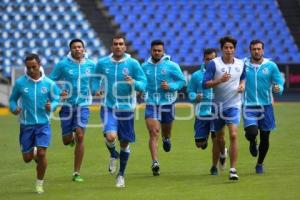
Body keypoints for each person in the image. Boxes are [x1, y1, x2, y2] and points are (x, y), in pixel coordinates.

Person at [92, 34, 147, 188]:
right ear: (112, 47)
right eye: (115, 43)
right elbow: (95, 78)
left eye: (120, 44)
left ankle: (121, 174)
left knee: (124, 143)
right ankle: (112, 154)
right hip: (109, 107)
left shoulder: (133, 64)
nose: (118, 46)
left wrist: (134, 82)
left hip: (127, 109)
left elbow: (143, 84)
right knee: (110, 137)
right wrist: (96, 88)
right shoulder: (103, 63)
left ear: (125, 47)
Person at [9, 53, 60, 194]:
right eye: (28, 68)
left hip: (43, 124)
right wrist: (14, 108)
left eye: (34, 67)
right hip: (26, 125)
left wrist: (53, 106)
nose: (31, 70)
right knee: (27, 158)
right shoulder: (20, 83)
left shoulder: (49, 83)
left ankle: (39, 184)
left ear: (39, 65)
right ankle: (34, 152)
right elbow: (12, 99)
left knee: (42, 153)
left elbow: (56, 99)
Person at [49, 39, 96, 182]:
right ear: (70, 50)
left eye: (80, 47)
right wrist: (58, 93)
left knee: (80, 135)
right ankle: (70, 140)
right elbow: (50, 81)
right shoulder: (63, 64)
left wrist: (95, 90)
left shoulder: (91, 64)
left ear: (84, 48)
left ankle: (76, 172)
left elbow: (97, 80)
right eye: (74, 47)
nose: (77, 49)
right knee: (66, 140)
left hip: (83, 105)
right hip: (67, 106)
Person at [203, 36, 246, 180]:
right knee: (218, 139)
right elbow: (205, 83)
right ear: (222, 49)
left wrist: (242, 85)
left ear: (234, 49)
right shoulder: (214, 64)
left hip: (234, 105)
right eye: (226, 48)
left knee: (233, 134)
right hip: (217, 106)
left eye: (231, 48)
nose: (229, 50)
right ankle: (221, 156)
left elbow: (243, 77)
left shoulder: (241, 63)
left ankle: (233, 169)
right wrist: (219, 81)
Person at [141, 40, 186, 176]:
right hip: (150, 103)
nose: (157, 52)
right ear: (151, 51)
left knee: (165, 131)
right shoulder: (144, 66)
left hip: (168, 102)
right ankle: (155, 162)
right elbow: (141, 81)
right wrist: (139, 88)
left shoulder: (171, 65)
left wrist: (171, 86)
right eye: (154, 50)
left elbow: (182, 81)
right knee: (154, 132)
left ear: (163, 51)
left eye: (159, 50)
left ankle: (166, 139)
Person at [243, 39, 284, 174]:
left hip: (266, 106)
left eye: (259, 49)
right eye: (254, 49)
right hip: (249, 105)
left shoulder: (271, 66)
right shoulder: (243, 64)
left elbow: (279, 82)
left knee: (265, 138)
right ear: (250, 51)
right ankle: (252, 141)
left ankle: (259, 163)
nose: (256, 51)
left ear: (263, 50)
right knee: (251, 132)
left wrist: (279, 88)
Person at [187, 48, 228, 175]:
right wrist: (195, 96)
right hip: (202, 113)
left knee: (215, 138)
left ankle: (214, 166)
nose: (210, 61)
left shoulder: (222, 74)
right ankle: (222, 150)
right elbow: (190, 92)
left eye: (212, 59)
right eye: (207, 59)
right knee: (199, 143)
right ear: (204, 59)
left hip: (217, 111)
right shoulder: (196, 76)